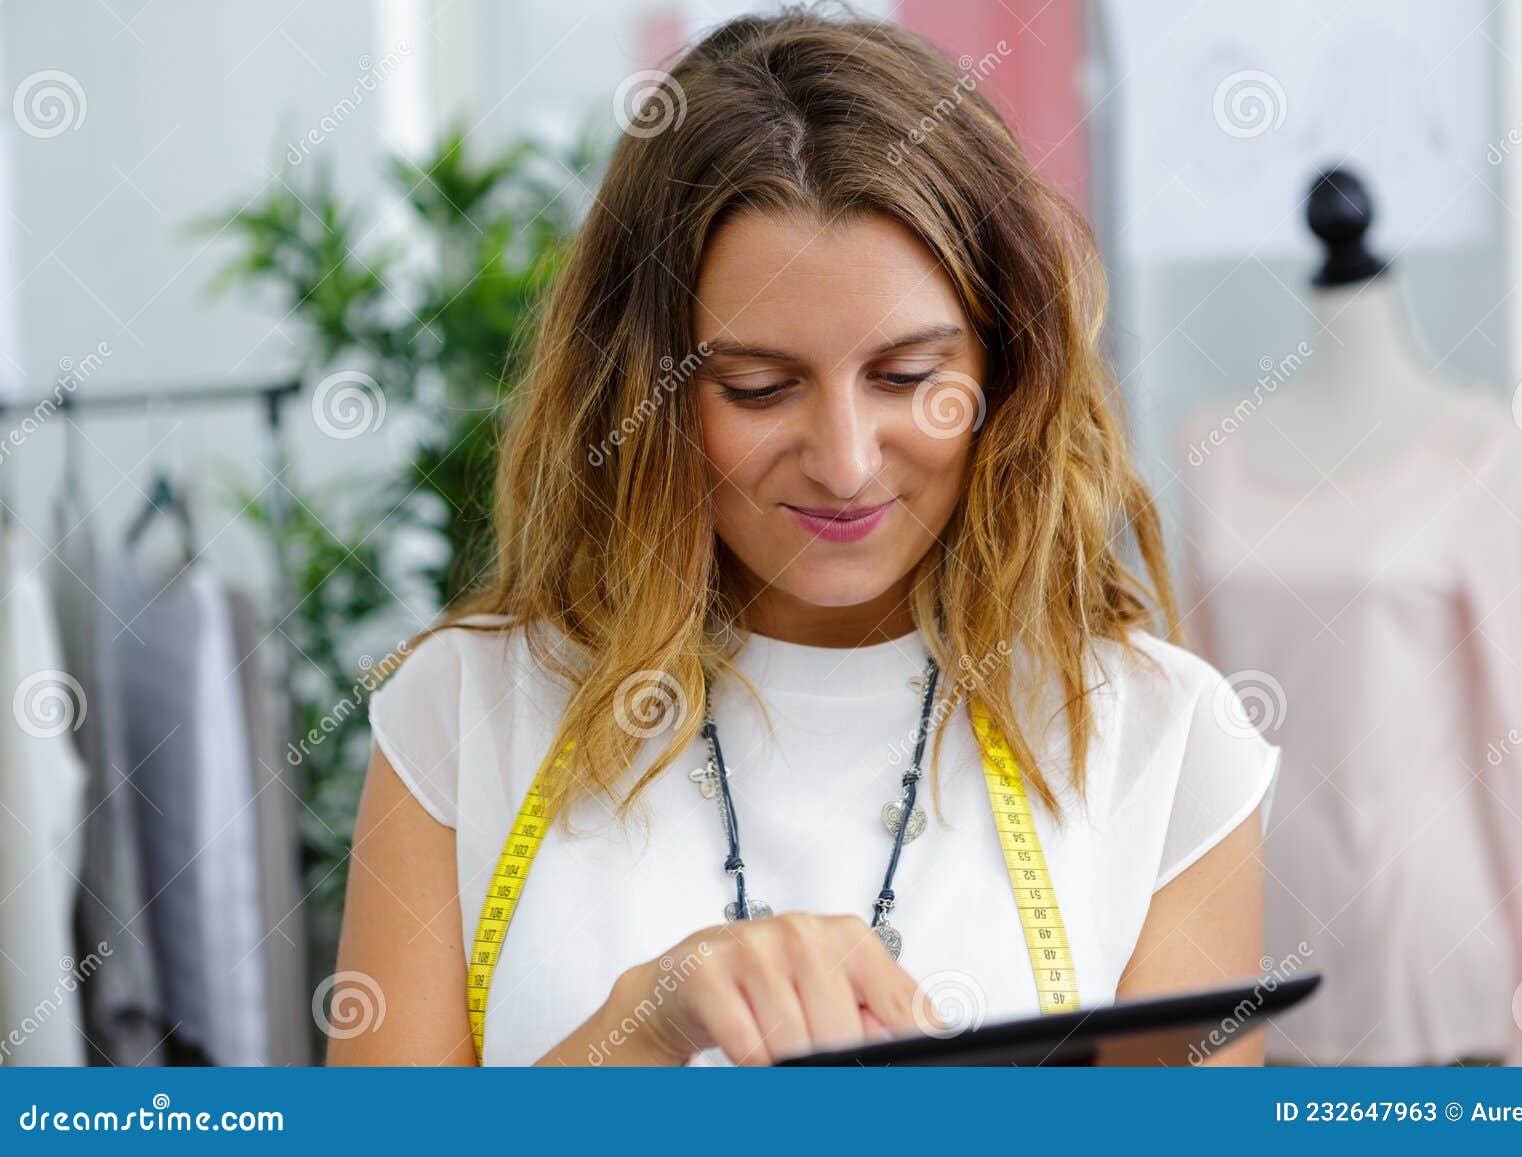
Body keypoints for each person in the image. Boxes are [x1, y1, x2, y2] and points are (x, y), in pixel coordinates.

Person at [326, 4, 1279, 1068]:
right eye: (759, 387)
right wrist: (641, 1037)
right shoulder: (463, 716)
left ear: (1004, 368)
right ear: (642, 390)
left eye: (906, 376)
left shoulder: (1164, 744)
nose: (845, 462)